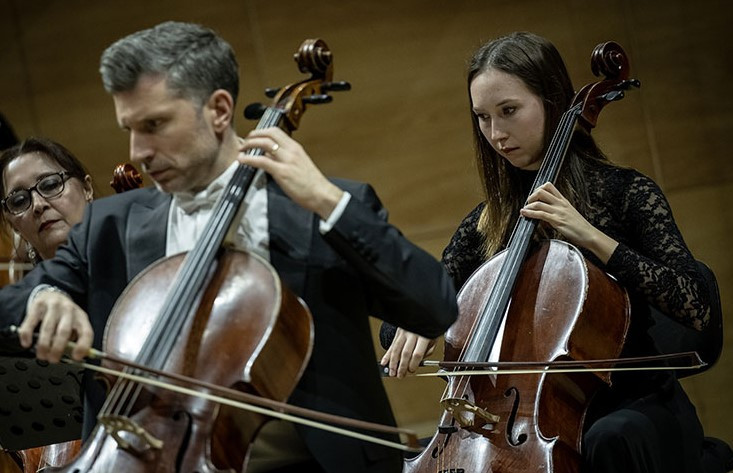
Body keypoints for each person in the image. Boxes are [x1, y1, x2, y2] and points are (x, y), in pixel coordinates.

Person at [0, 21, 458, 473]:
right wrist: (43, 297)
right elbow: (8, 307)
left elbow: (433, 308)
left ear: (219, 110)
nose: (138, 151)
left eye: (155, 124)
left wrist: (327, 202)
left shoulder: (322, 208)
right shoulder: (110, 228)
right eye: (129, 129)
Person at [381, 32, 716, 473]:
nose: (496, 134)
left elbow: (696, 305)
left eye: (509, 111)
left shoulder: (626, 194)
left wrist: (588, 234)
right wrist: (417, 320)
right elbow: (396, 330)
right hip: (520, 420)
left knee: (609, 440)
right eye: (482, 117)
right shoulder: (486, 224)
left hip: (626, 407)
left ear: (552, 101)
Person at [0, 137, 93, 470]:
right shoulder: (18, 307)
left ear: (87, 189)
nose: (38, 204)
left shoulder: (133, 270)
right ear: (13, 222)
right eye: (20, 200)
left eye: (51, 184)